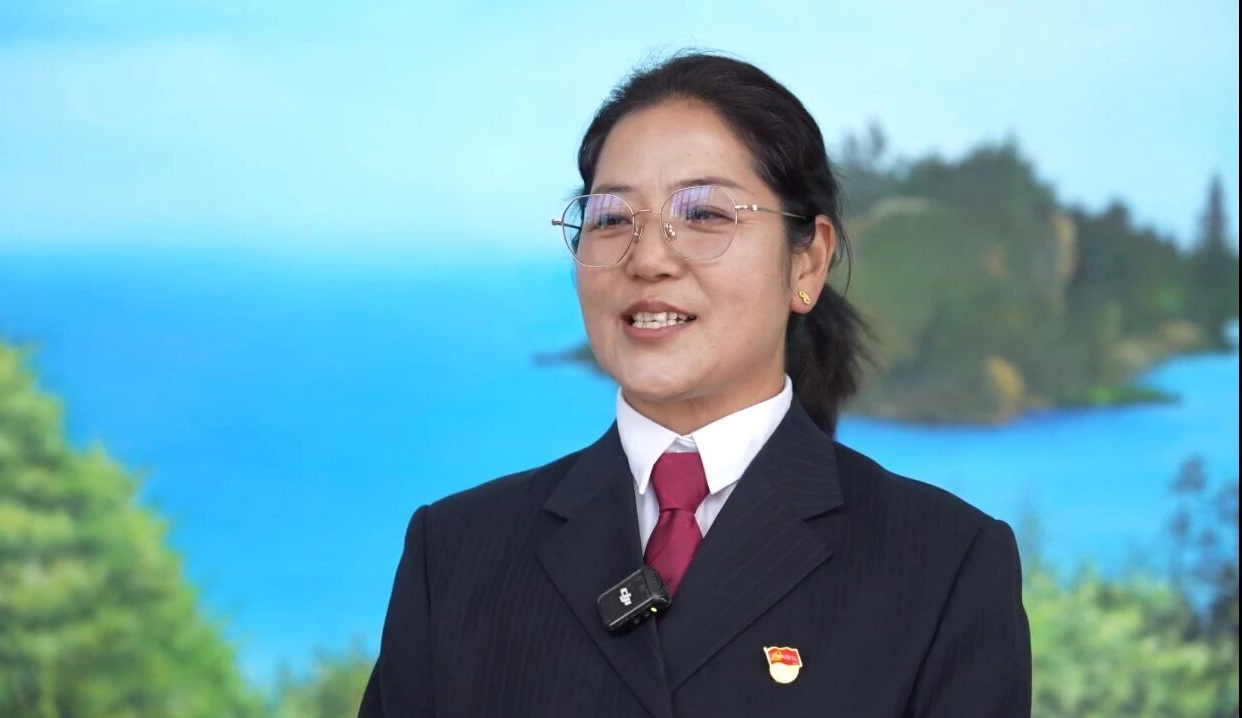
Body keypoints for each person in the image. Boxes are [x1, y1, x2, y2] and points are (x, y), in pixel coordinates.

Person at [358, 52, 1031, 718]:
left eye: (705, 214)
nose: (649, 258)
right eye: (611, 219)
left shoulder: (945, 565)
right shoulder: (455, 555)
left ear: (807, 262)